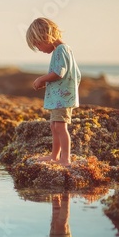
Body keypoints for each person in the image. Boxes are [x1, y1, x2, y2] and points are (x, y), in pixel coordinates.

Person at [25, 18, 81, 166]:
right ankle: (54, 156)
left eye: (37, 44)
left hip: (62, 99)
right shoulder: (63, 50)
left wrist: (42, 79)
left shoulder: (61, 50)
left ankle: (65, 159)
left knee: (61, 127)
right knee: (54, 126)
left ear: (45, 36)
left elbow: (59, 73)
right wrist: (50, 82)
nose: (39, 49)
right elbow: (73, 74)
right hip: (59, 97)